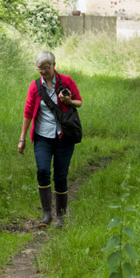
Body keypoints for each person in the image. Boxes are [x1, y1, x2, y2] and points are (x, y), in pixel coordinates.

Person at [18, 50, 82, 227]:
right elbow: (28, 112)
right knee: (43, 171)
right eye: (39, 69)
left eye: (45, 68)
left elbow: (79, 102)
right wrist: (22, 138)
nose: (42, 72)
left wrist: (68, 101)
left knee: (61, 176)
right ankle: (47, 214)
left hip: (64, 137)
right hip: (42, 137)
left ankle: (61, 216)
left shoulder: (66, 81)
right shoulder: (35, 87)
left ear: (54, 65)